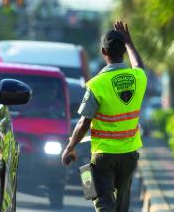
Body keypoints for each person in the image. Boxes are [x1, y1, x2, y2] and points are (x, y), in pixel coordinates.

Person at [61, 21, 147, 212]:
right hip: (129, 155)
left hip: (104, 155)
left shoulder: (97, 84)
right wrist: (130, 42)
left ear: (103, 52)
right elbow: (139, 64)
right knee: (122, 205)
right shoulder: (138, 78)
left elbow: (84, 122)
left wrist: (70, 147)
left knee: (103, 203)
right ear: (123, 50)